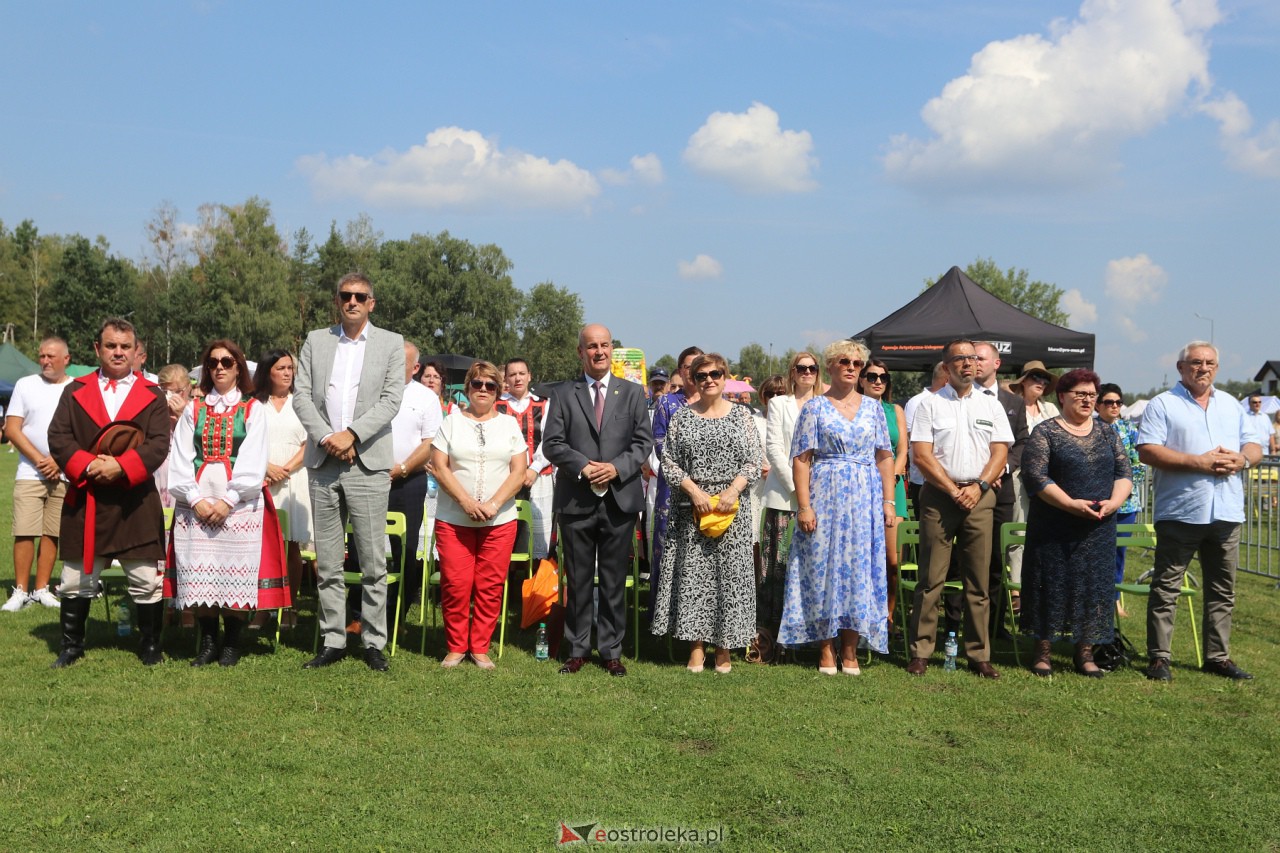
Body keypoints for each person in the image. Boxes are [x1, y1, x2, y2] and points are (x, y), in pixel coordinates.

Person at [294, 272, 405, 672]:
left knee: (374, 561)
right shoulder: (316, 340)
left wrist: (353, 434)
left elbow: (392, 399)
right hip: (324, 462)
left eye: (360, 296)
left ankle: (373, 641)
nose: (353, 302)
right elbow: (301, 396)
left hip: (368, 461)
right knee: (327, 562)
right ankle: (333, 640)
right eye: (346, 295)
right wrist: (328, 437)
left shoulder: (391, 343)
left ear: (372, 303)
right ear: (337, 300)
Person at [46, 318, 171, 667]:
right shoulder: (74, 391)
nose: (118, 352)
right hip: (88, 499)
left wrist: (121, 465)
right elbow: (59, 437)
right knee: (75, 580)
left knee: (146, 579)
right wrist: (89, 466)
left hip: (136, 501)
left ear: (136, 352)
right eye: (111, 346)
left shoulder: (153, 394)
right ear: (97, 349)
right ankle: (71, 646)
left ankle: (149, 646)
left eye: (125, 346)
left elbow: (161, 443)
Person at [1136, 341, 1264, 682]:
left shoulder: (1232, 406)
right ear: (1181, 368)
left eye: (1209, 363)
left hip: (1226, 510)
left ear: (1217, 369)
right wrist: (1198, 462)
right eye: (1195, 362)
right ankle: (1159, 658)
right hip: (1181, 510)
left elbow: (1253, 445)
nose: (1203, 368)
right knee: (1167, 587)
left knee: (1223, 590)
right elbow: (1147, 450)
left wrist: (1243, 459)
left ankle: (1217, 657)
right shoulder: (1163, 404)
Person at [168, 340, 290, 667]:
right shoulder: (194, 410)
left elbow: (253, 460)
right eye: (212, 363)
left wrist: (228, 500)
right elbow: (180, 457)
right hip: (195, 503)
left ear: (238, 367)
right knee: (201, 572)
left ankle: (232, 643)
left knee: (235, 572)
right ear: (206, 369)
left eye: (226, 362)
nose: (219, 367)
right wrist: (194, 499)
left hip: (240, 505)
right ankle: (208, 642)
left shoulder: (253, 410)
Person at [542, 323, 653, 676]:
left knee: (613, 580)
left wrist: (616, 468)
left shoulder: (634, 393)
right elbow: (553, 443)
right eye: (592, 346)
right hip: (576, 499)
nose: (599, 352)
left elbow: (642, 443)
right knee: (576, 579)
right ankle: (577, 650)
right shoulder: (562, 394)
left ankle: (610, 651)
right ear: (581, 352)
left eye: (605, 345)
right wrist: (584, 468)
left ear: (612, 349)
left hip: (619, 499)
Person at [779, 341, 895, 674]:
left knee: (859, 571)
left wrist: (888, 502)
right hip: (825, 494)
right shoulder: (815, 407)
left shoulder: (874, 408)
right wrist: (804, 506)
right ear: (830, 366)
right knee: (822, 570)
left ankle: (850, 649)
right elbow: (801, 460)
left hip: (864, 497)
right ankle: (825, 648)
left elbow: (884, 458)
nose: (852, 367)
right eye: (844, 361)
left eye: (857, 363)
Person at [906, 339, 1013, 679]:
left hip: (980, 498)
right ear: (947, 366)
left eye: (972, 358)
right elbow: (921, 455)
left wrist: (979, 486)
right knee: (930, 580)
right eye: (960, 359)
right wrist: (954, 490)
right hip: (940, 497)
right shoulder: (929, 405)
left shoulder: (990, 405)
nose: (968, 364)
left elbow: (1000, 453)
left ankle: (978, 655)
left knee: (978, 582)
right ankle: (922, 651)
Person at [651, 353, 762, 673]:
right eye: (702, 376)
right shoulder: (682, 417)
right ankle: (696, 647)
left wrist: (732, 491)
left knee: (729, 580)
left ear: (725, 377)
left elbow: (754, 460)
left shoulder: (742, 416)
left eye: (715, 373)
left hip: (733, 508)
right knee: (693, 579)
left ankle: (724, 649)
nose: (709, 379)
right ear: (693, 380)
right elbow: (668, 461)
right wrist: (694, 491)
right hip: (691, 509)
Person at [1020, 369, 1132, 677]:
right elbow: (1036, 476)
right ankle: (1042, 651)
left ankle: (1085, 653)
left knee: (1093, 588)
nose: (1086, 399)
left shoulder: (1108, 433)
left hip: (1098, 525)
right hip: (1053, 526)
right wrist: (1070, 505)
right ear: (1062, 397)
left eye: (1091, 394)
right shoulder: (1045, 432)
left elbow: (1124, 473)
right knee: (1050, 584)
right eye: (1079, 394)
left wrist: (1115, 502)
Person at [430, 361, 526, 669]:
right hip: (454, 518)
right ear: (468, 387)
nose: (483, 390)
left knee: (490, 585)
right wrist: (466, 501)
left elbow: (519, 470)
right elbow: (439, 466)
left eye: (490, 385)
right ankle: (457, 646)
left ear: (499, 390)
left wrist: (495, 503)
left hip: (500, 520)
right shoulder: (451, 422)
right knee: (456, 584)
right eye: (477, 384)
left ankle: (480, 646)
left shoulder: (510, 425)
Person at [755, 353, 822, 659]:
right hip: (783, 497)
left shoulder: (825, 404)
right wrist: (798, 487)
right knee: (777, 572)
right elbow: (774, 449)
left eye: (812, 368)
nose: (807, 373)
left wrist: (811, 493)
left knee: (809, 570)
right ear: (792, 373)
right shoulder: (779, 404)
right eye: (801, 368)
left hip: (819, 500)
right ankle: (773, 640)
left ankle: (808, 641)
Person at [4, 336, 74, 612]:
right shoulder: (25, 385)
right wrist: (40, 460)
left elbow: (80, 432)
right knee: (24, 531)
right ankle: (20, 591)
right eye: (42, 356)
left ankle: (42, 589)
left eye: (51, 356)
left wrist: (58, 460)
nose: (45, 361)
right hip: (29, 472)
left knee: (52, 532)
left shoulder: (76, 388)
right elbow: (12, 429)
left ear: (66, 359)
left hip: (64, 473)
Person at [971, 342, 1029, 633]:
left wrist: (1002, 468)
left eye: (980, 358)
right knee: (964, 563)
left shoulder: (1013, 403)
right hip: (964, 488)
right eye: (971, 358)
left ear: (997, 363)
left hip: (1001, 490)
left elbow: (1022, 442)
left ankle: (994, 627)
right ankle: (958, 626)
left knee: (996, 561)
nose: (974, 363)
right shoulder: (959, 398)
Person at [252, 349, 312, 629]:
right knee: (261, 547)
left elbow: (311, 442)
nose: (288, 373)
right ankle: (262, 607)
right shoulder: (254, 405)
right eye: (281, 368)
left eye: (290, 368)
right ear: (268, 372)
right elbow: (246, 444)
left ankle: (289, 606)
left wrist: (284, 469)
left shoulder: (302, 403)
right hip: (261, 479)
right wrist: (266, 468)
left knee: (291, 548)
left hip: (293, 479)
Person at [648, 346, 703, 621]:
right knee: (668, 549)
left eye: (698, 365)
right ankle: (664, 618)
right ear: (680, 371)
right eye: (687, 366)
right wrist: (687, 475)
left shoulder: (715, 403)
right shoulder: (667, 403)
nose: (692, 371)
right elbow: (659, 445)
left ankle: (698, 617)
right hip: (673, 487)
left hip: (710, 490)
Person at [857, 358, 908, 634]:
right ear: (861, 379)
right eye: (872, 376)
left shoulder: (895, 410)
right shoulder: (852, 408)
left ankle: (888, 618)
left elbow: (902, 450)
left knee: (892, 560)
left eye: (883, 377)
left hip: (893, 486)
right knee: (862, 555)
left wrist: (893, 476)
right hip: (861, 485)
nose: (878, 381)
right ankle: (861, 617)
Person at [494, 357, 553, 560]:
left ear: (530, 376)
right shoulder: (496, 405)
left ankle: (537, 580)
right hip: (504, 476)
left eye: (521, 373)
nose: (517, 378)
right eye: (512, 374)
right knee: (506, 527)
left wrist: (534, 468)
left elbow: (550, 441)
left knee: (538, 528)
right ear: (506, 379)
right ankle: (508, 579)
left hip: (539, 476)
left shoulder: (544, 405)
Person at [1096, 382, 1146, 617]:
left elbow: (1138, 465)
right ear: (1098, 405)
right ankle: (1093, 600)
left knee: (1118, 554)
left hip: (1126, 504)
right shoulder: (1089, 428)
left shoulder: (1129, 430)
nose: (1114, 406)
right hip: (1095, 502)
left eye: (1118, 402)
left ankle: (1113, 601)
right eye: (1109, 402)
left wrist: (1121, 488)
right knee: (1095, 554)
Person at [904, 361, 948, 521]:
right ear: (947, 380)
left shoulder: (955, 402)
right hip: (924, 482)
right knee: (928, 538)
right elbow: (912, 441)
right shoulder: (917, 402)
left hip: (953, 483)